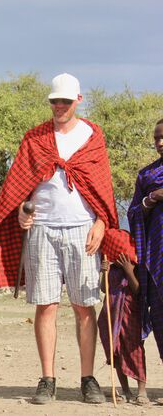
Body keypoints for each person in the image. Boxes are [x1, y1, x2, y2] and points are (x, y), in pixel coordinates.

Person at [0, 73, 135, 405]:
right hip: (43, 230)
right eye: (55, 101)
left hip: (83, 229)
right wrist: (22, 210)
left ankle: (87, 378)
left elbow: (102, 187)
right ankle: (47, 378)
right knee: (46, 305)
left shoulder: (92, 136)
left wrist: (101, 222)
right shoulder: (35, 137)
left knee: (83, 305)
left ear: (78, 100)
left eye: (65, 101)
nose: (60, 107)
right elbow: (19, 186)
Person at [122, 118, 163, 405]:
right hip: (156, 259)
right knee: (161, 319)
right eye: (156, 137)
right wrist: (151, 199)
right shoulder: (146, 175)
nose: (160, 142)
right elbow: (134, 212)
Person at [97, 253, 148, 404]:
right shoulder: (111, 269)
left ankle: (142, 391)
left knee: (135, 351)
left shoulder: (137, 267)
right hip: (111, 315)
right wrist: (104, 273)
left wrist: (129, 271)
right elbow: (104, 289)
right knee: (116, 351)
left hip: (130, 315)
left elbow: (138, 289)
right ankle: (125, 390)